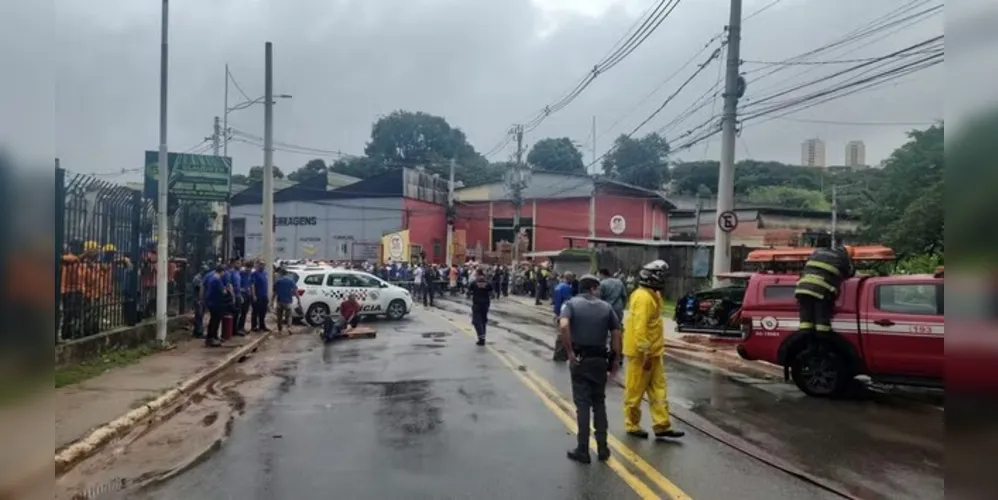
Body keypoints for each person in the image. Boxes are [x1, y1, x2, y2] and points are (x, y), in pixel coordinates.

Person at [559, 274, 621, 464]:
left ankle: (583, 449)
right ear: (593, 288)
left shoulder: (571, 305)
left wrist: (569, 351)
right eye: (598, 288)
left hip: (580, 359)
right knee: (599, 403)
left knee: (583, 405)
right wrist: (616, 359)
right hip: (599, 361)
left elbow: (563, 325)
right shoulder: (606, 307)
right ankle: (603, 448)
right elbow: (617, 333)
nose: (600, 291)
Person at [622, 260, 684, 440]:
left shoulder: (653, 295)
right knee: (635, 390)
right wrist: (646, 351)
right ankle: (632, 425)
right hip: (642, 353)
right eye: (661, 276)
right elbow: (640, 328)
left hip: (654, 352)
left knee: (659, 390)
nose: (664, 280)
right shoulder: (643, 298)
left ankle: (661, 425)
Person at [794, 245, 855, 334]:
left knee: (805, 323)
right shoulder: (842, 257)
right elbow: (850, 273)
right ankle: (823, 343)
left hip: (802, 289)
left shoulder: (818, 252)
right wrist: (850, 262)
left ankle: (806, 340)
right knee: (822, 325)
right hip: (821, 291)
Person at [551, 272, 576, 362]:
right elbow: (566, 302)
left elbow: (555, 301)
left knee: (561, 334)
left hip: (558, 311)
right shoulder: (566, 288)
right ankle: (560, 355)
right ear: (569, 278)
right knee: (563, 334)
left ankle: (560, 354)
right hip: (562, 312)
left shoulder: (559, 286)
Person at [203, 265, 227, 347]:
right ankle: (210, 338)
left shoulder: (213, 278)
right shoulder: (217, 280)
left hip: (211, 302)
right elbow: (223, 291)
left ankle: (213, 336)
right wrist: (225, 290)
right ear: (222, 271)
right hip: (215, 303)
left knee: (215, 320)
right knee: (214, 321)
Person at [271, 268, 301, 334]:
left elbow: (275, 293)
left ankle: (280, 330)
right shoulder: (291, 281)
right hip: (288, 301)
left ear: (281, 273)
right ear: (287, 273)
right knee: (289, 316)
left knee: (279, 317)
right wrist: (298, 300)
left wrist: (272, 301)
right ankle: (289, 327)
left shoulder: (278, 282)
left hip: (279, 301)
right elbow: (295, 292)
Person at [468, 269, 493, 346]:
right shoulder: (488, 283)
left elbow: (469, 291)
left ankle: (481, 337)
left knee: (477, 321)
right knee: (483, 321)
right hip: (485, 304)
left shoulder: (474, 283)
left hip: (477, 304)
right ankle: (482, 337)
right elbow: (491, 292)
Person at [249, 261, 270, 332]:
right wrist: (254, 295)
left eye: (263, 264)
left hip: (264, 295)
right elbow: (252, 285)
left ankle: (262, 326)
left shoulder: (265, 273)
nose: (262, 266)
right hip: (257, 295)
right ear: (258, 265)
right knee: (255, 311)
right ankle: (254, 326)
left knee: (263, 312)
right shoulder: (254, 274)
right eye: (261, 264)